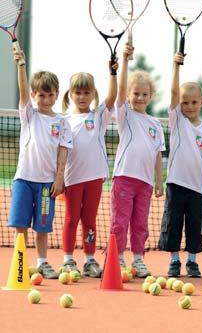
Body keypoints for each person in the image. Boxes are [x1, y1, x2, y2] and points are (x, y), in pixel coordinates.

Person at [8, 48, 73, 279]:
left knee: (43, 227)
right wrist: (21, 65)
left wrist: (59, 178)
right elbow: (23, 91)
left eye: (50, 95)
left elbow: (63, 152)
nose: (46, 100)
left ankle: (43, 263)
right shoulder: (29, 115)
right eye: (41, 95)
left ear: (57, 94)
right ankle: (20, 263)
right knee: (20, 226)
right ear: (35, 96)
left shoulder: (63, 123)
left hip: (47, 185)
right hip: (24, 180)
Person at [158, 52, 202, 278]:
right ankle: (174, 261)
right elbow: (173, 92)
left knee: (195, 227)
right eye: (185, 102)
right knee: (173, 225)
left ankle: (192, 262)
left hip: (198, 188)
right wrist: (176, 66)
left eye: (194, 102)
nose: (189, 106)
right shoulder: (177, 121)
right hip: (175, 184)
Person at [110, 44, 165, 277]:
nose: (140, 97)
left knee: (141, 224)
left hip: (145, 183)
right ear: (129, 96)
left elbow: (158, 154)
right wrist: (124, 60)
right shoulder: (125, 115)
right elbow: (119, 89)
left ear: (151, 96)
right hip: (124, 178)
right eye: (136, 93)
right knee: (120, 221)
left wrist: (159, 180)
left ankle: (139, 259)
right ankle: (117, 257)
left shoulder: (156, 124)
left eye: (144, 94)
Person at [61, 61, 118, 277]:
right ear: (70, 94)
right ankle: (67, 259)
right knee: (71, 218)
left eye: (86, 92)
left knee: (90, 220)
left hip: (95, 177)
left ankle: (89, 259)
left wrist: (113, 72)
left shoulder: (99, 116)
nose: (82, 96)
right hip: (72, 178)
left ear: (93, 94)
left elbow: (112, 98)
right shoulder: (64, 119)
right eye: (78, 92)